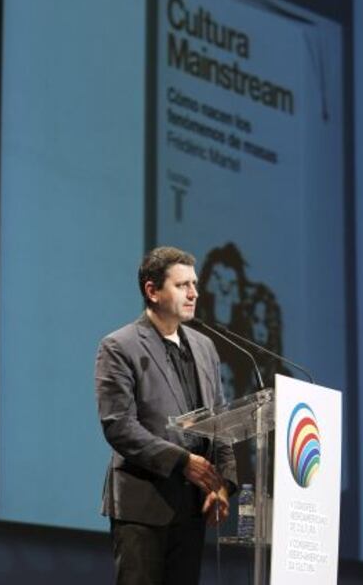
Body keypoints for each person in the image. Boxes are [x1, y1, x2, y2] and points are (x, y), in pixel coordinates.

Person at [95, 246, 237, 585]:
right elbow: (119, 426)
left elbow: (221, 421)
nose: (194, 293)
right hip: (143, 508)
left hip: (192, 510)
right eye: (182, 285)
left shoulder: (205, 347)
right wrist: (182, 461)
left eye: (195, 284)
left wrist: (223, 485)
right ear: (152, 291)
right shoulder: (119, 346)